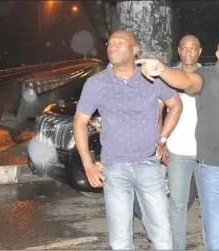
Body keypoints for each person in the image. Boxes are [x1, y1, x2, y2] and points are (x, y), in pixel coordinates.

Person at [136, 34, 219, 250]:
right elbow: (185, 80)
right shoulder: (206, 76)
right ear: (218, 55)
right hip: (216, 169)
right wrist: (161, 69)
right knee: (217, 231)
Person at [73, 30, 183, 250]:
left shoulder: (152, 78)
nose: (113, 46)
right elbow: (79, 122)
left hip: (149, 165)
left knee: (162, 236)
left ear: (135, 50)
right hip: (114, 168)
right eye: (110, 43)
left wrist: (162, 139)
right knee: (120, 241)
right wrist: (88, 165)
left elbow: (176, 106)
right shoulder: (97, 83)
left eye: (121, 42)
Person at [164, 34, 205, 249]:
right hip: (177, 151)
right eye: (184, 48)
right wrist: (159, 141)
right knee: (178, 204)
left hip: (207, 152)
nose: (188, 52)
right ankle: (177, 246)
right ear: (178, 51)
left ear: (199, 51)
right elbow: (158, 108)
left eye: (193, 48)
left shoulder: (209, 75)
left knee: (209, 204)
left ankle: (212, 244)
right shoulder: (168, 76)